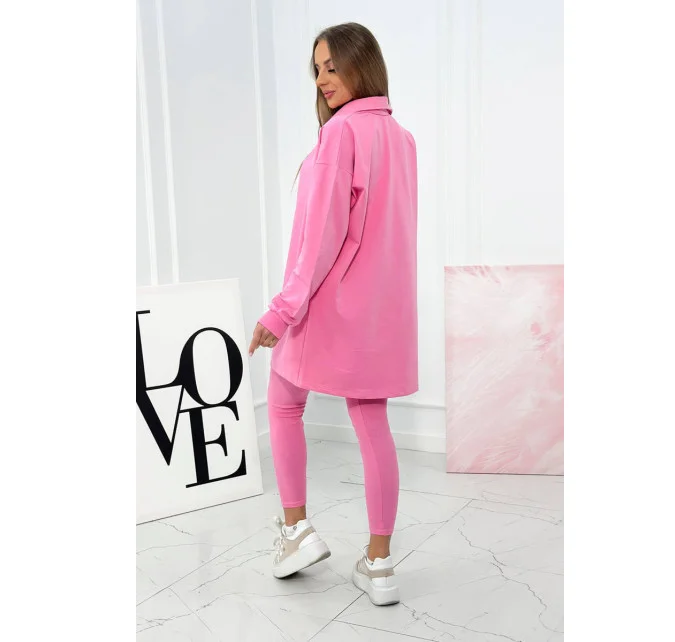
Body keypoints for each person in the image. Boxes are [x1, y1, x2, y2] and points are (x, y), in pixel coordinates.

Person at [249, 22, 417, 607]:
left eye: (332, 66)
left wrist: (281, 310)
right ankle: (380, 564)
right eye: (316, 69)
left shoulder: (340, 134)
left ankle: (296, 530)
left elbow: (321, 238)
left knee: (282, 397)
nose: (322, 79)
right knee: (372, 422)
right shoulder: (401, 138)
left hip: (328, 303)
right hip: (382, 313)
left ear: (360, 65)